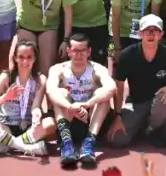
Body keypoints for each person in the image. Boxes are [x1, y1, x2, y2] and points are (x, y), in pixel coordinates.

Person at [105, 15, 166, 148]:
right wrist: (118, 115)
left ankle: (153, 128)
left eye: (155, 30)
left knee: (165, 97)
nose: (151, 34)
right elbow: (119, 86)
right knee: (116, 139)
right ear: (139, 33)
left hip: (159, 102)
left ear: (161, 34)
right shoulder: (128, 55)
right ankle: (143, 125)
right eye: (147, 30)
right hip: (136, 102)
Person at [45, 33, 118, 168]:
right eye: (74, 51)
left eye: (82, 51)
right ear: (68, 51)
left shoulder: (98, 69)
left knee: (103, 94)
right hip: (68, 118)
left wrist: (87, 104)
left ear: (89, 51)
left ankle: (89, 142)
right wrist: (71, 107)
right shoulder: (58, 69)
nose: (78, 55)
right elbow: (50, 90)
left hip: (90, 119)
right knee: (60, 92)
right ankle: (67, 144)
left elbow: (112, 88)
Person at [0, 39, 53, 157]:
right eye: (21, 57)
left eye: (29, 57)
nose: (25, 61)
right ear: (15, 58)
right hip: (6, 127)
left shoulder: (40, 79)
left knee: (50, 123)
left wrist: (37, 114)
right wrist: (5, 97)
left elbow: (36, 106)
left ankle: (6, 145)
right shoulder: (5, 77)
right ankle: (25, 147)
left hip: (29, 127)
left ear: (35, 58)